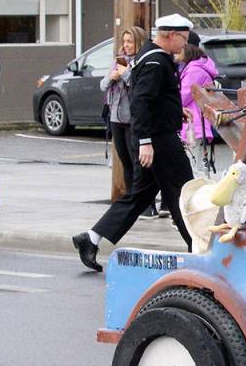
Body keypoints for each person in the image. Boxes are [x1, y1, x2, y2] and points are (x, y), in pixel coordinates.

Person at [72, 14, 196, 271]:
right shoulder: (155, 61)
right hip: (159, 142)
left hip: (155, 136)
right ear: (170, 34)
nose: (184, 45)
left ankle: (91, 238)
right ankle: (198, 250)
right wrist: (146, 142)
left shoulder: (150, 55)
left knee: (139, 196)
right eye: (182, 39)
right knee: (183, 193)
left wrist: (175, 112)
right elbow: (141, 102)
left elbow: (155, 98)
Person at [101, 26, 158, 219]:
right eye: (124, 42)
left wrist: (126, 74)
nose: (126, 46)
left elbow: (138, 87)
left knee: (139, 163)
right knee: (126, 162)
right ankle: (132, 203)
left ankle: (148, 205)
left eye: (130, 42)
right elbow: (102, 85)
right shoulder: (118, 61)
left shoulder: (142, 62)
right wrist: (112, 76)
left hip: (134, 120)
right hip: (117, 118)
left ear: (138, 43)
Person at [177, 36, 218, 178]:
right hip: (197, 122)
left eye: (180, 48)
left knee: (192, 167)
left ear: (187, 47)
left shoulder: (194, 70)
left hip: (193, 124)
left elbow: (182, 97)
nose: (177, 51)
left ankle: (192, 197)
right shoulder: (199, 66)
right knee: (195, 165)